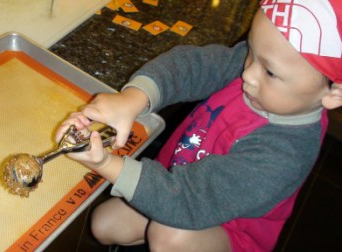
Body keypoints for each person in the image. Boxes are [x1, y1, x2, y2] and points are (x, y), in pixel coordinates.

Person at [55, 0, 342, 251]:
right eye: (252, 50)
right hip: (180, 186)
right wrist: (134, 97)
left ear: (334, 93)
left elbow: (191, 201)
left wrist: (105, 162)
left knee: (170, 235)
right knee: (106, 224)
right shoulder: (258, 68)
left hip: (231, 229)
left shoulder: (284, 154)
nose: (248, 74)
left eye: (269, 71)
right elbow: (193, 65)